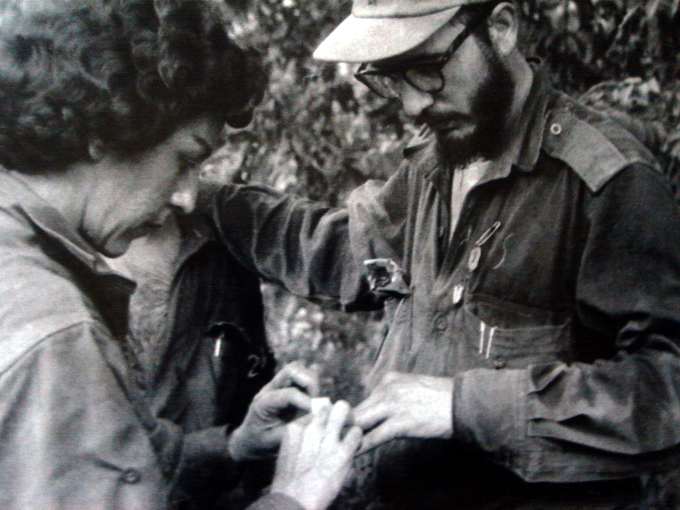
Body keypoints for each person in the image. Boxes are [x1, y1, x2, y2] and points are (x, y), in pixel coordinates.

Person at [205, 0, 680, 508]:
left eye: (428, 70)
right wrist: (207, 201)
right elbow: (346, 253)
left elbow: (668, 389)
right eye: (389, 77)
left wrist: (463, 406)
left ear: (500, 29)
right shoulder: (438, 162)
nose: (411, 106)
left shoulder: (606, 183)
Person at [0, 1, 361, 509]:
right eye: (184, 159)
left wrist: (231, 447)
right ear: (104, 131)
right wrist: (295, 495)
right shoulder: (52, 332)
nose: (188, 197)